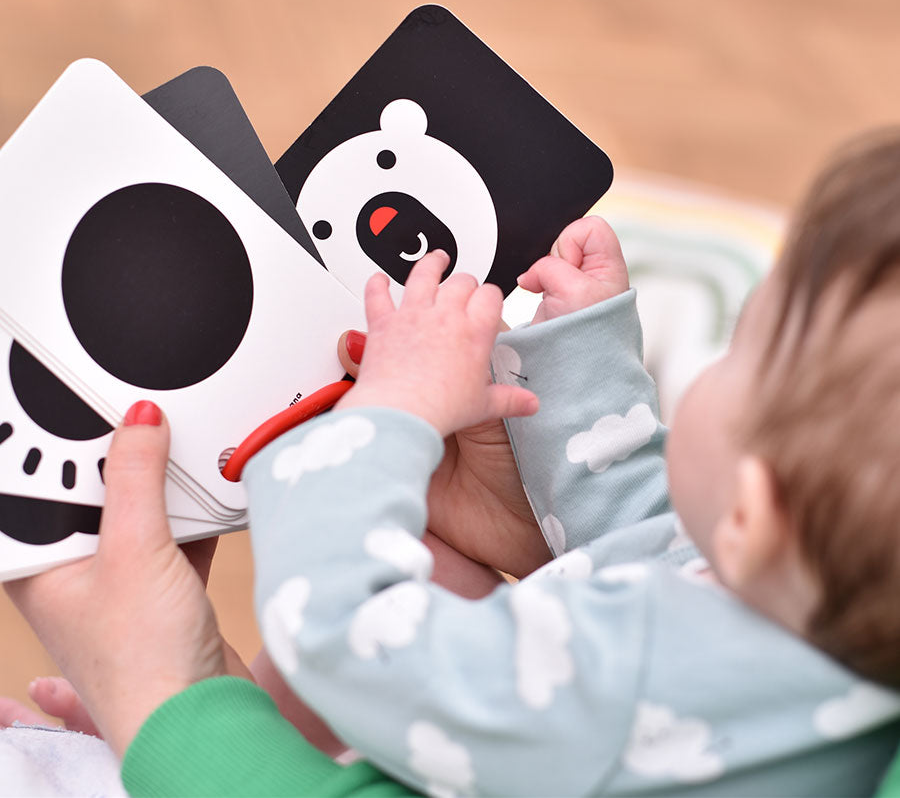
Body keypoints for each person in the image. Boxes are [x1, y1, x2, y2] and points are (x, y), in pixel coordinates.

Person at [7, 131, 900, 795]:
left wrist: (385, 413)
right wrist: (579, 345)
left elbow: (343, 628)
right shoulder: (816, 627)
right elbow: (653, 534)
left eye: (739, 352)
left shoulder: (628, 674)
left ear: (755, 515)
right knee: (439, 570)